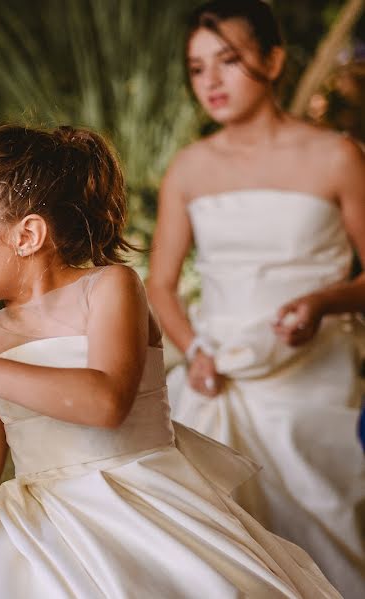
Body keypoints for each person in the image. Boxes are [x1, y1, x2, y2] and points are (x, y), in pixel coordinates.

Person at [0, 124, 341, 597]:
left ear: (27, 236)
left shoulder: (110, 287)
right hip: (43, 537)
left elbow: (106, 403)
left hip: (145, 518)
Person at [146, 1, 365, 595]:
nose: (210, 81)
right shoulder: (189, 168)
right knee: (221, 540)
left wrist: (323, 301)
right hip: (217, 375)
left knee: (326, 531)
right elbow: (159, 284)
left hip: (310, 381)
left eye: (228, 61)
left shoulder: (335, 156)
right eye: (196, 68)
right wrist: (194, 354)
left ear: (272, 61)